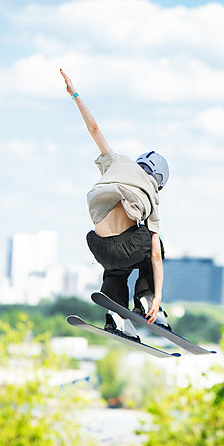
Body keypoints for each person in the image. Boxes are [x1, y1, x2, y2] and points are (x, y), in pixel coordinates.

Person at [61, 68, 170, 342]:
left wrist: (74, 94)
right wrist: (156, 296)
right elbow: (155, 256)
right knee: (151, 243)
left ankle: (116, 317)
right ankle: (143, 299)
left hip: (98, 246)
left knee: (116, 269)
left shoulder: (118, 162)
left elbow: (94, 129)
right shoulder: (152, 195)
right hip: (128, 247)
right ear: (158, 180)